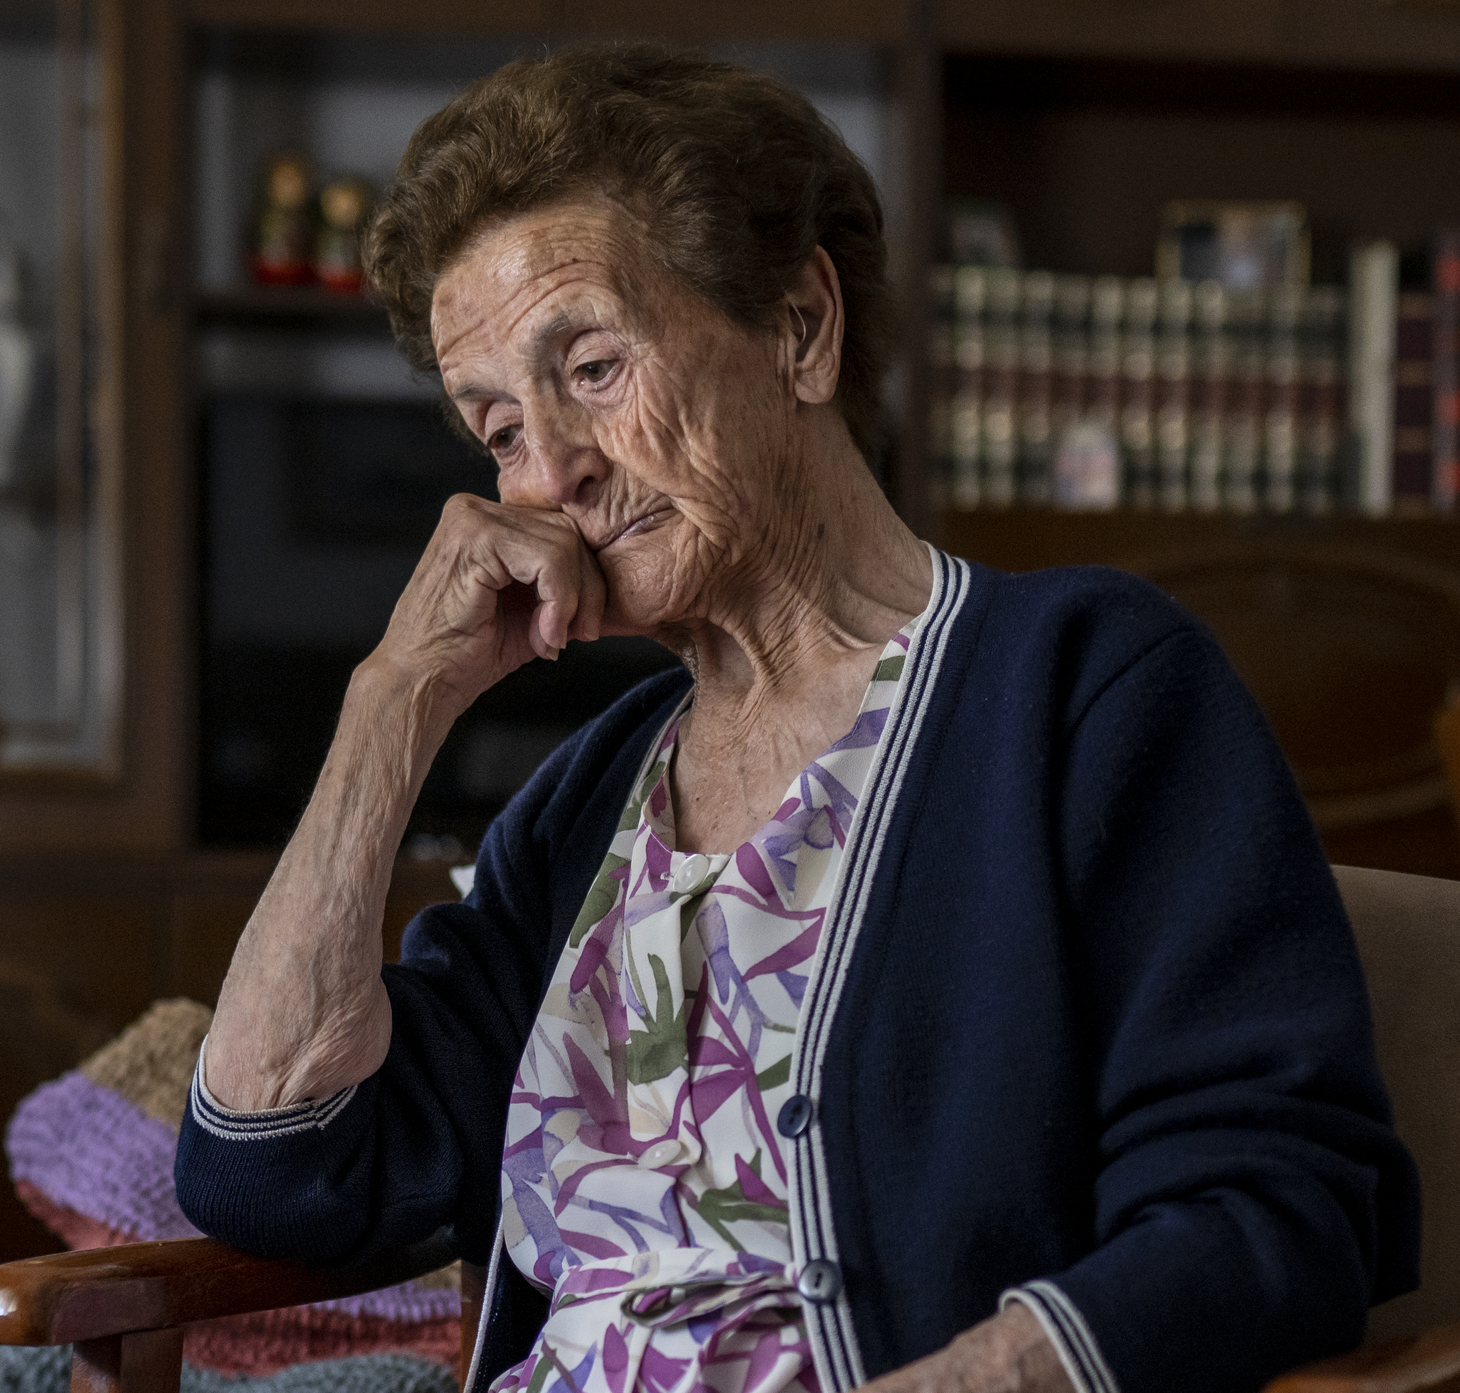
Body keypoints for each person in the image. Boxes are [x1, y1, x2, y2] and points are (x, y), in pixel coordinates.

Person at [173, 45, 1418, 1393]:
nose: (551, 474)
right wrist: (391, 700)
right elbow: (269, 1170)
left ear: (800, 327)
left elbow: (1279, 1207)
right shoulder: (590, 800)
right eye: (497, 432)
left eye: (591, 366)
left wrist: (971, 1379)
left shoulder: (1086, 692)